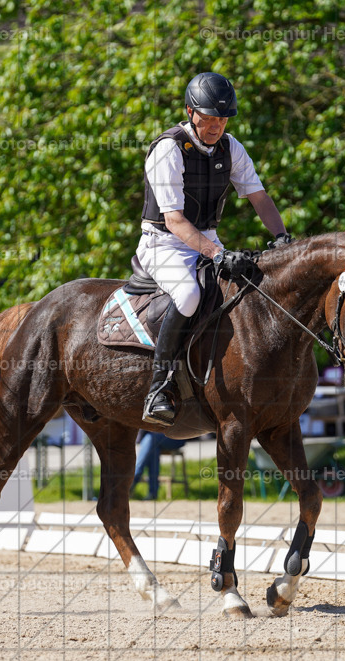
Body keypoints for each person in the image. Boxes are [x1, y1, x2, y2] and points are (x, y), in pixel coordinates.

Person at [138, 71, 293, 426]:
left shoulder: (231, 147)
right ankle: (158, 388)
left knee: (249, 289)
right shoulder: (168, 149)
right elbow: (174, 221)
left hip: (206, 240)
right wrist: (218, 255)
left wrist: (282, 237)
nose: (216, 126)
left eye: (222, 119)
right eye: (209, 118)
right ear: (190, 112)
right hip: (163, 243)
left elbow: (259, 197)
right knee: (189, 294)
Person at [132, 430, 188, 500]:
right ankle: (152, 493)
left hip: (177, 437)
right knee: (153, 448)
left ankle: (133, 478)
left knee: (151, 438)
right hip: (157, 438)